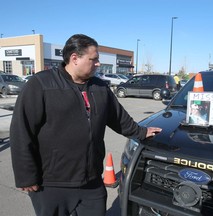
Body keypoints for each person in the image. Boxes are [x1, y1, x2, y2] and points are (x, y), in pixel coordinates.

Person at [10, 34, 162, 216]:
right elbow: (21, 131)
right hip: (51, 184)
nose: (98, 63)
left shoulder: (100, 87)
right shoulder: (41, 84)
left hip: (91, 182)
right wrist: (26, 176)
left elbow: (119, 119)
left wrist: (142, 132)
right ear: (75, 58)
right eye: (94, 59)